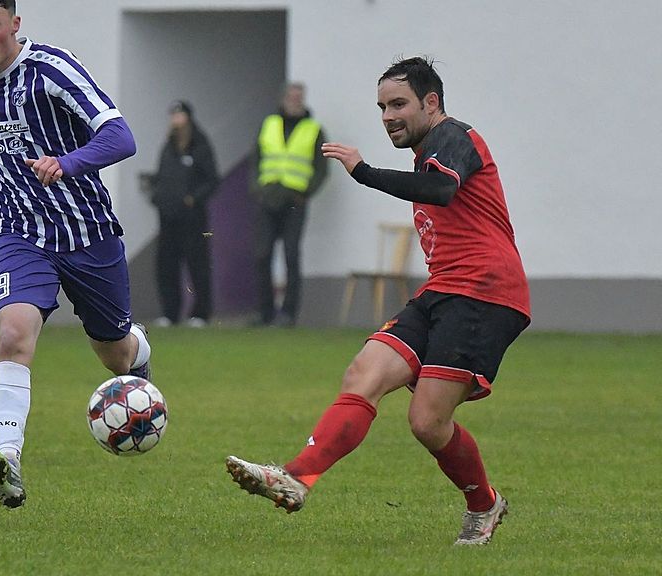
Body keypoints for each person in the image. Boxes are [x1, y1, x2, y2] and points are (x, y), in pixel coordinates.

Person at [226, 57, 530, 546]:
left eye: (399, 104)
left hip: (485, 293)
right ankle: (296, 477)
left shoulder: (455, 136)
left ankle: (484, 505)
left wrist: (363, 171)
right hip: (442, 289)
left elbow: (440, 190)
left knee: (427, 422)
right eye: (382, 106)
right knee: (362, 375)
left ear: (431, 102)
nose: (388, 115)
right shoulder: (426, 150)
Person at [0, 0, 152, 510]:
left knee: (115, 353)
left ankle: (139, 350)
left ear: (15, 24)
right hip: (16, 232)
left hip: (86, 231)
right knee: (14, 333)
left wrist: (67, 162)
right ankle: (7, 457)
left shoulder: (52, 69)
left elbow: (121, 136)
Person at [250, 82, 328, 327]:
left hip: (295, 200)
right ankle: (265, 313)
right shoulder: (269, 124)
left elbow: (321, 168)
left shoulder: (313, 129)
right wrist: (257, 189)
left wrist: (306, 192)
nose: (295, 101)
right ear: (283, 98)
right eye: (291, 96)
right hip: (268, 198)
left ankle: (288, 314)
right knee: (262, 255)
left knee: (291, 256)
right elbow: (256, 158)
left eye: (299, 97)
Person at [149, 100, 219, 327]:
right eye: (173, 116)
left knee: (197, 264)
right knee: (166, 265)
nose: (175, 121)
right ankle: (170, 313)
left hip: (192, 219)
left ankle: (200, 313)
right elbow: (162, 176)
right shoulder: (168, 145)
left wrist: (192, 199)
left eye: (179, 116)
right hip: (168, 216)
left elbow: (212, 180)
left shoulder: (200, 144)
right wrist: (158, 196)